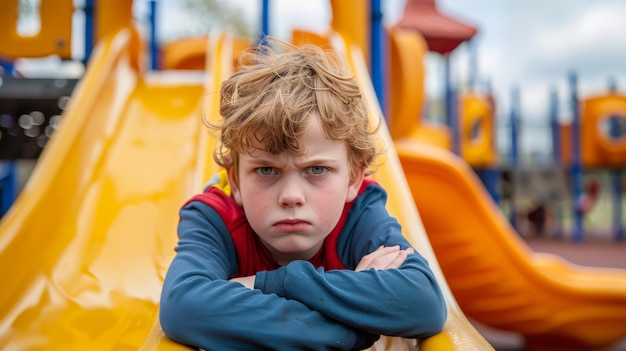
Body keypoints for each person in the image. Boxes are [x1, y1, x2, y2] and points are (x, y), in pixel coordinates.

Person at [159, 37, 447, 350]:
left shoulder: (360, 212)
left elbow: (423, 301)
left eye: (317, 170)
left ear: (354, 177)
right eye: (267, 170)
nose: (291, 196)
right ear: (236, 182)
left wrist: (270, 283)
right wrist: (350, 332)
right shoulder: (216, 217)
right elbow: (183, 307)